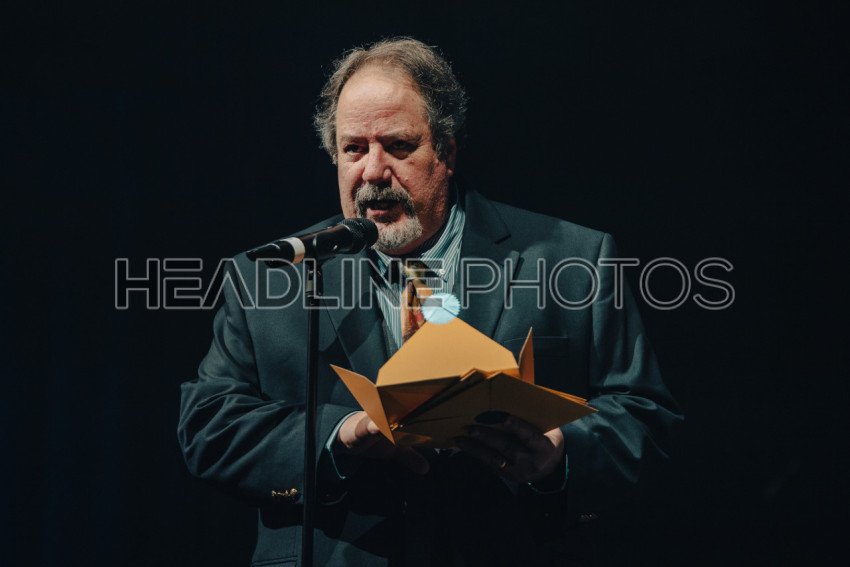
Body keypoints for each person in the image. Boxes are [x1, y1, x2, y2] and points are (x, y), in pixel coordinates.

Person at [178, 37, 681, 566]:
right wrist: (340, 435)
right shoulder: (268, 275)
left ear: (446, 152)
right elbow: (209, 425)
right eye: (353, 149)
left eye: (398, 146)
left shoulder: (573, 259)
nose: (373, 171)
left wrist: (558, 455)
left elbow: (644, 417)